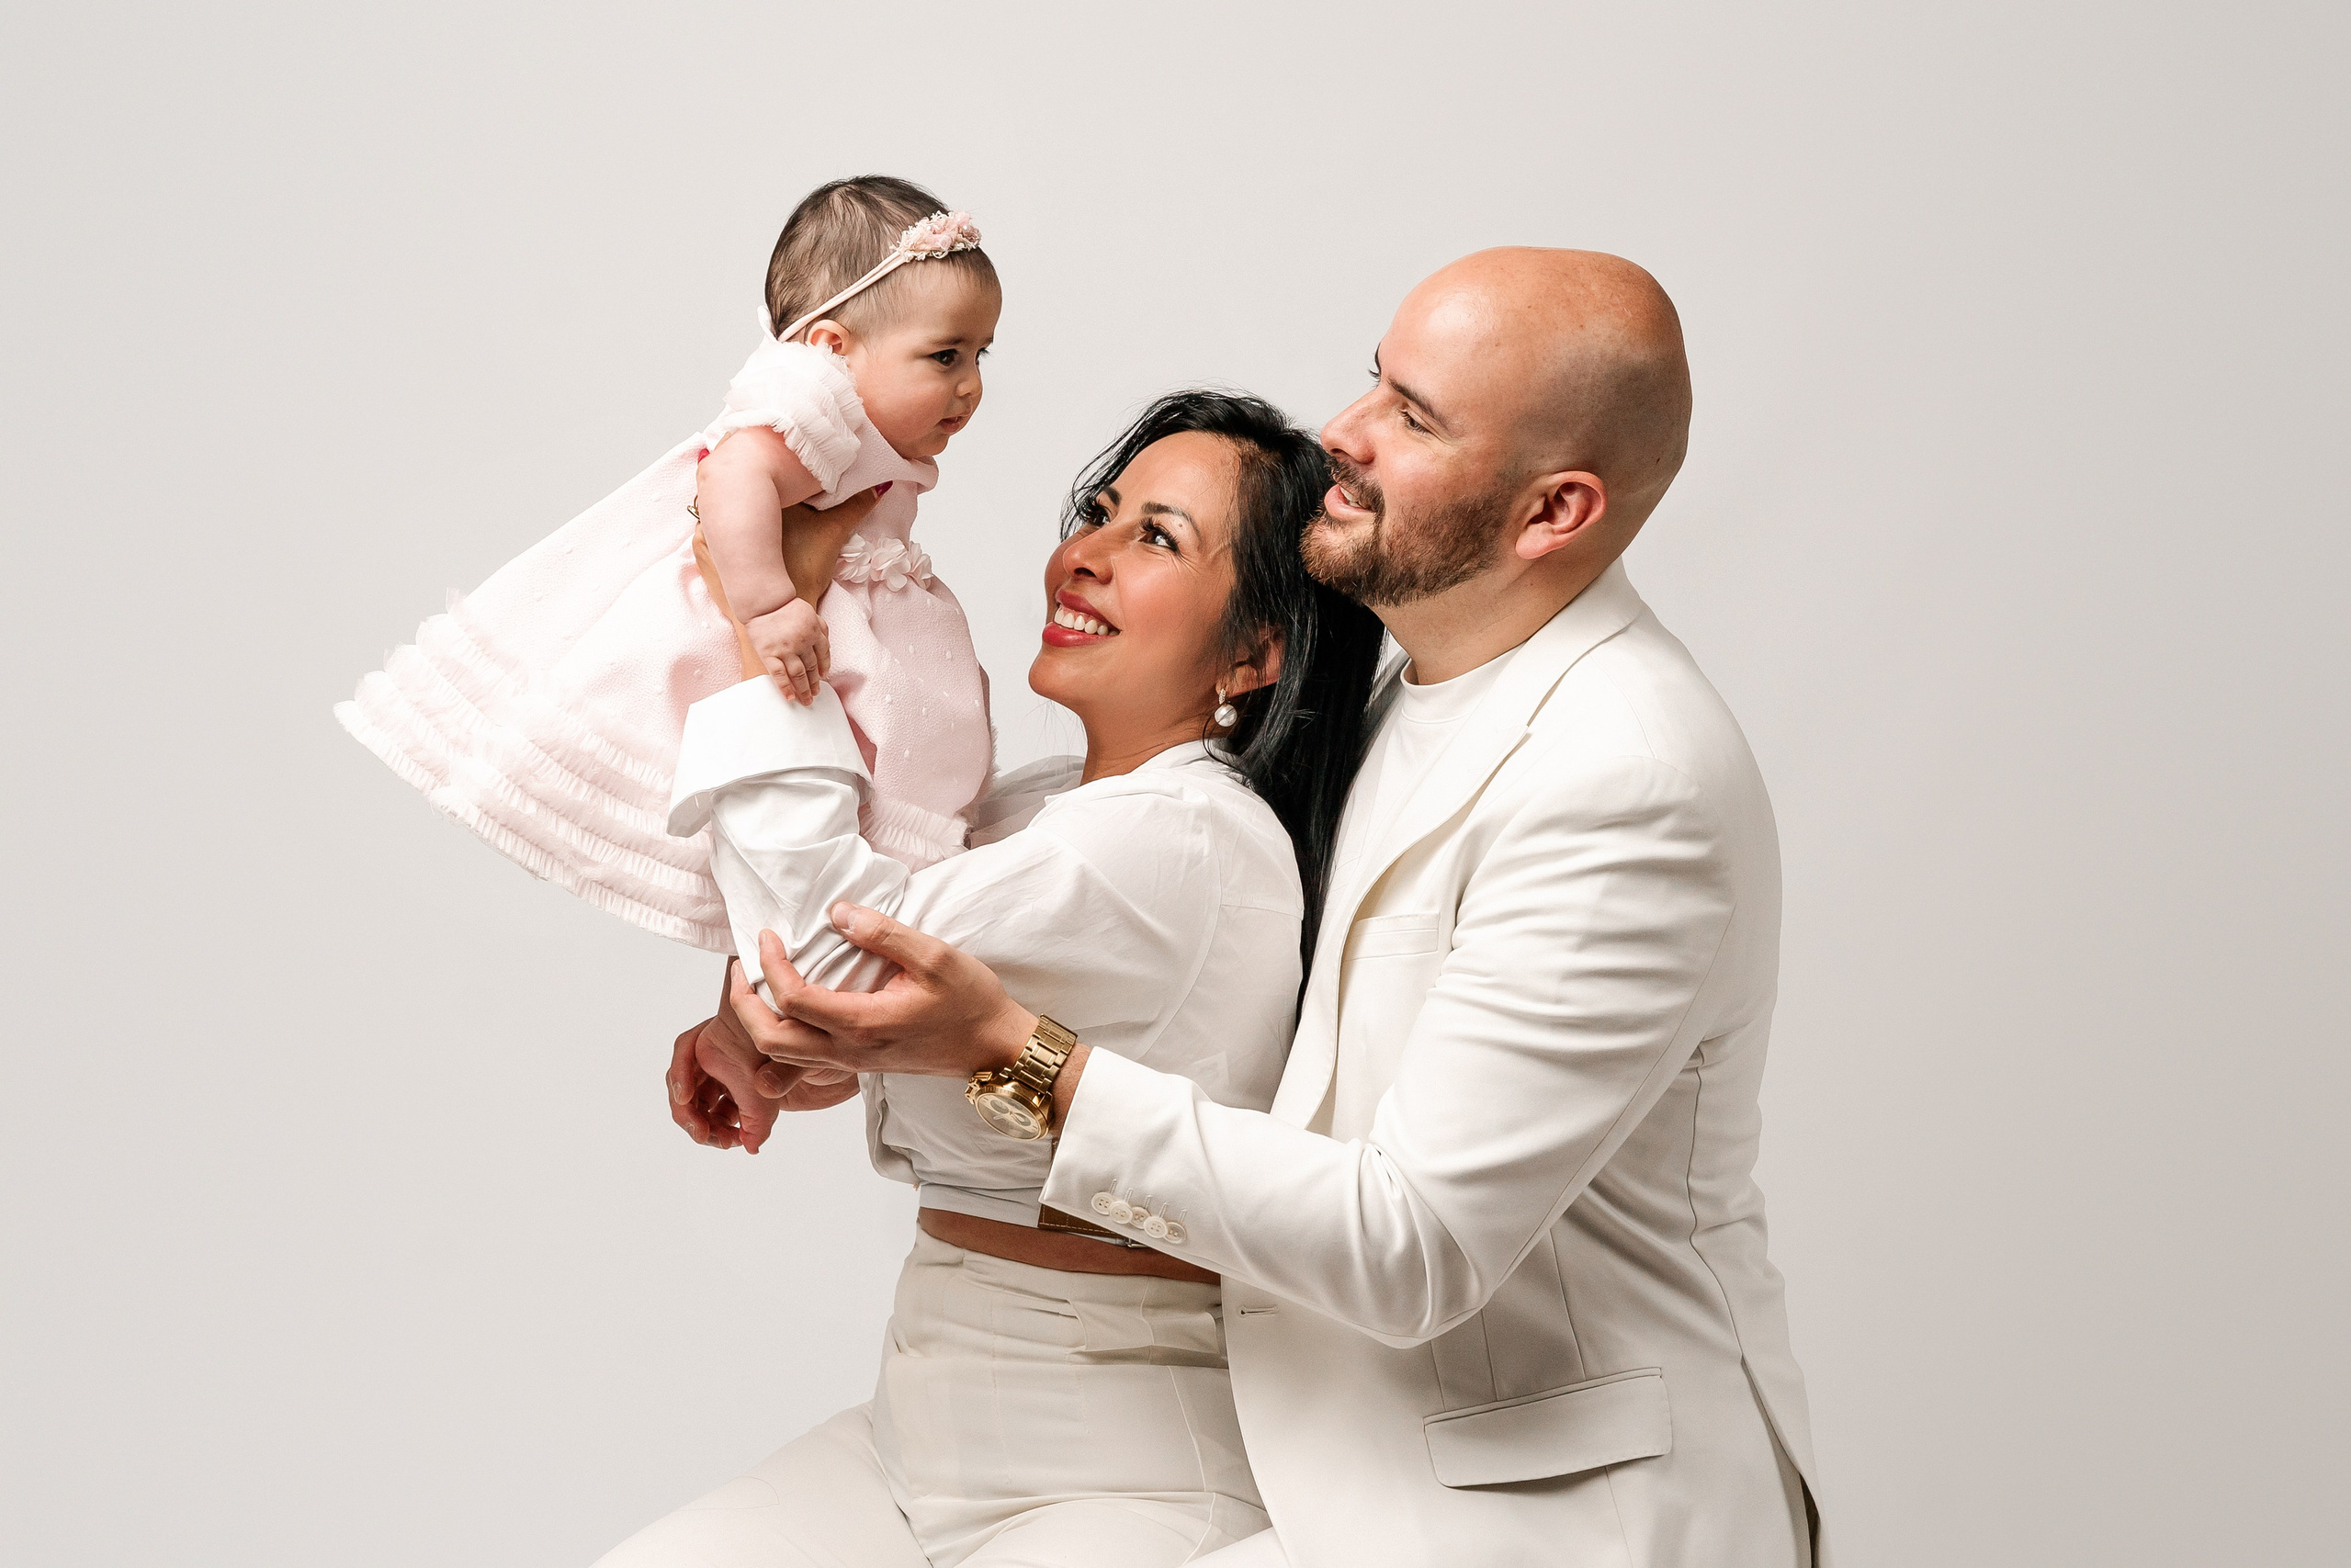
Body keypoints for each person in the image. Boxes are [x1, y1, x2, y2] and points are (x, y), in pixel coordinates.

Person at [702, 249, 1830, 1567]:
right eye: (1374, 380)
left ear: (1553, 511)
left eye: (1412, 416)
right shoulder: (1386, 706)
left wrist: (1011, 1054)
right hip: (1258, 1428)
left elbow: (1412, 1245)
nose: (1345, 431)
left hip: (1535, 1502)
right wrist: (857, 1042)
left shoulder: (1626, 776)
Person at [600, 391, 1387, 1566]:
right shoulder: (1040, 805)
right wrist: (778, 1041)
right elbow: (847, 982)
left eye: (1156, 537)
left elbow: (820, 950)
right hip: (917, 1417)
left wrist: (774, 639)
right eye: (1098, 514)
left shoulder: (1179, 835)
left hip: (1109, 1463)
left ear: (1254, 653)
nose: (1085, 555)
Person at [335, 175, 1000, 953]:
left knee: (851, 798)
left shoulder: (849, 404)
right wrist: (767, 602)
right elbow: (731, 473)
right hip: (766, 602)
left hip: (840, 605)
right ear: (830, 348)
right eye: (945, 356)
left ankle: (849, 920)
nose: (970, 386)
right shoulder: (810, 396)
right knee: (800, 794)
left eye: (980, 354)